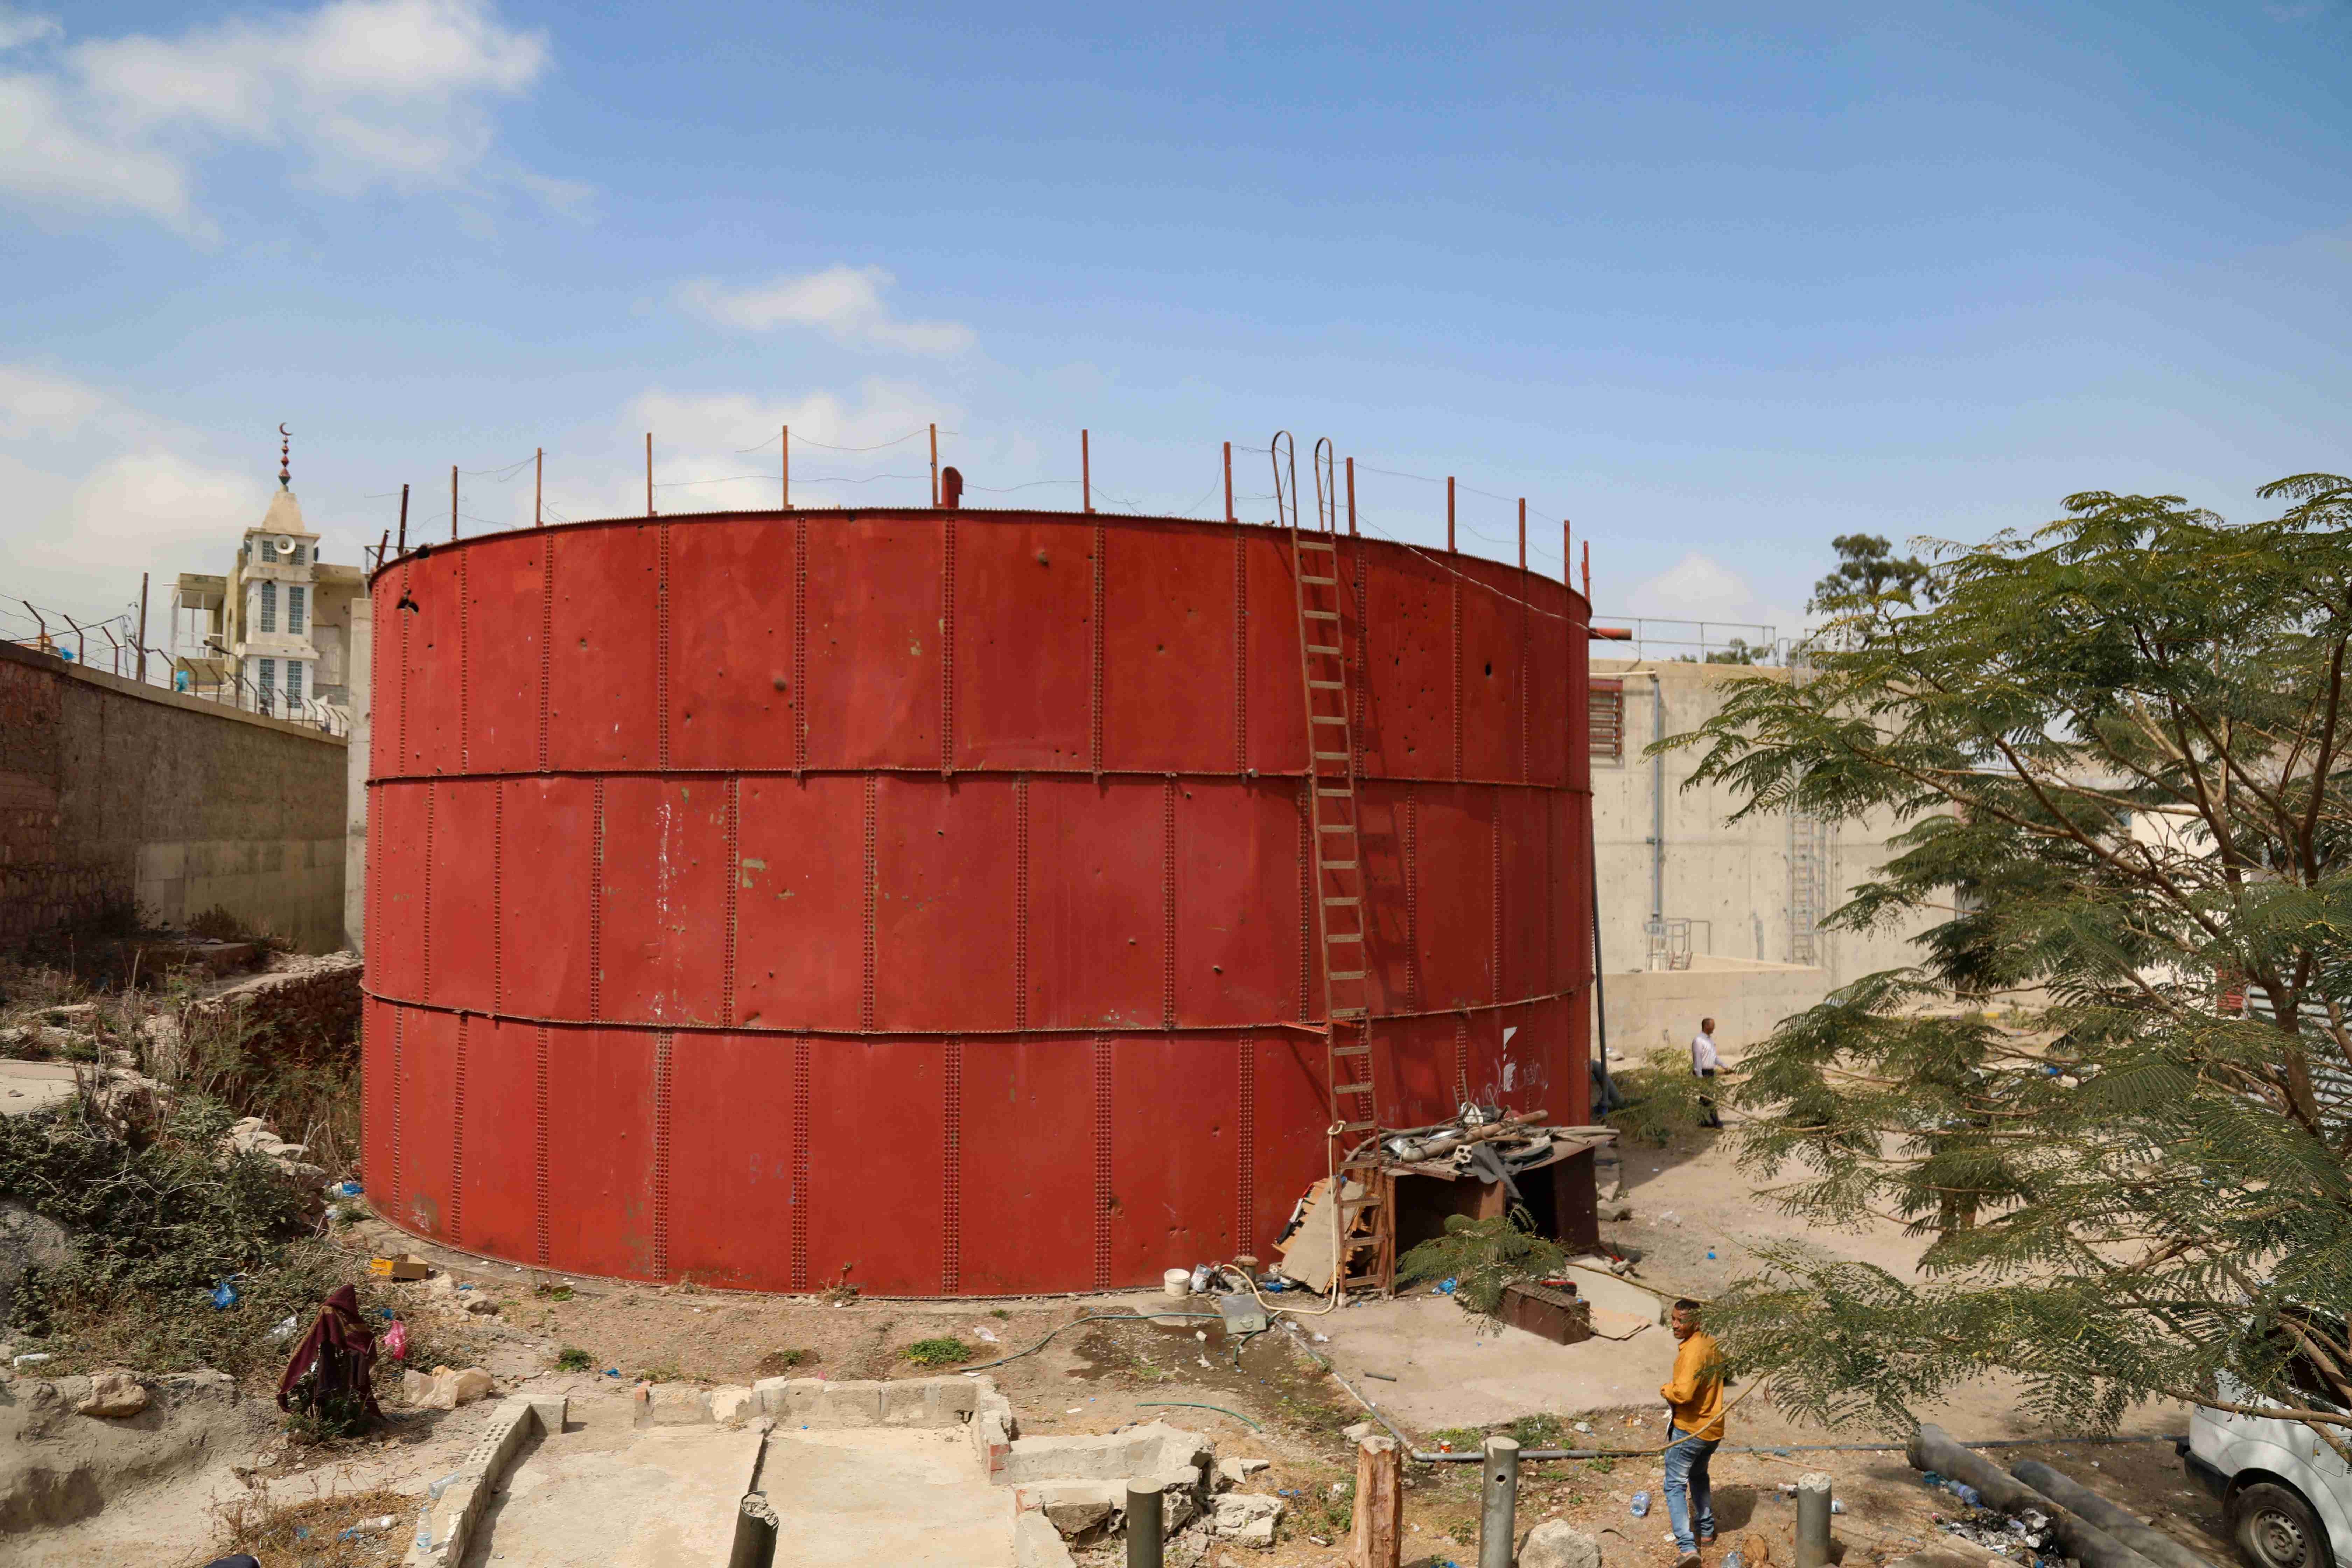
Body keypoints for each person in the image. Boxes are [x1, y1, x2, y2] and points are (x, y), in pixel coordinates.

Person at [1659, 1297, 1726, 1568]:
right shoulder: (1711, 1342)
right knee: (1699, 1476)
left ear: (1696, 1322)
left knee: (1674, 1485)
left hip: (1690, 1431)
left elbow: (1684, 1394)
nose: (1675, 1324)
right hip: (1713, 1430)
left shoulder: (1693, 1352)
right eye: (1673, 1318)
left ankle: (1688, 1549)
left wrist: (1666, 1390)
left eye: (1681, 1320)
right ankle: (1707, 1531)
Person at [276, 1284, 383, 1433]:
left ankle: (340, 1421)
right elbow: (327, 1335)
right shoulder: (329, 1311)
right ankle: (324, 1424)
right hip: (328, 1357)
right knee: (325, 1391)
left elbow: (357, 1335)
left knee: (337, 1391)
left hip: (337, 1358)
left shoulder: (345, 1314)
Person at [1690, 1017, 1722, 1129]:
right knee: (1709, 1097)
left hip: (1711, 1072)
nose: (1714, 1028)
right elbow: (1698, 1059)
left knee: (1704, 1098)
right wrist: (1700, 1076)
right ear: (1706, 1026)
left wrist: (1724, 1066)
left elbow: (1714, 1057)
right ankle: (1717, 1121)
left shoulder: (1710, 1040)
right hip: (1703, 1072)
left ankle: (1701, 1120)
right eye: (1713, 1026)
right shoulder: (1699, 1041)